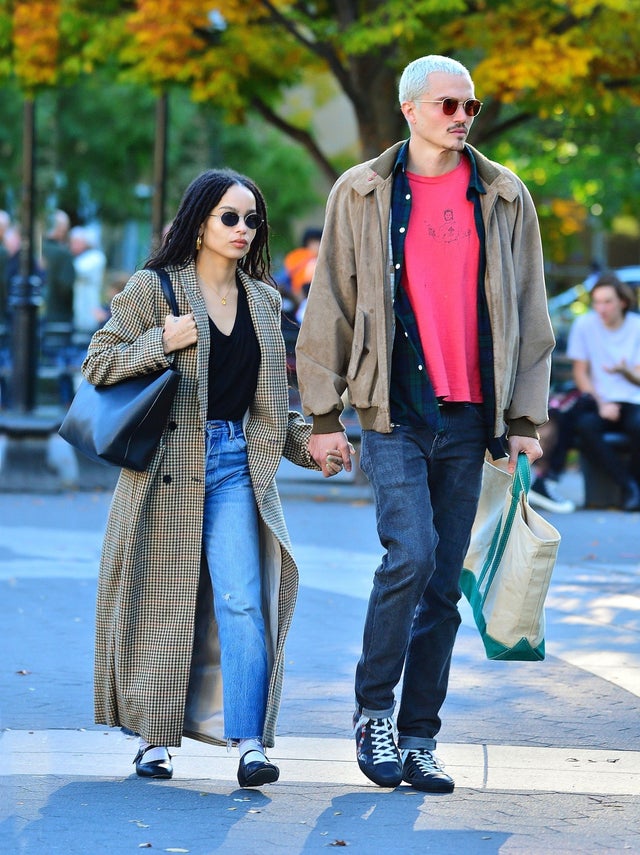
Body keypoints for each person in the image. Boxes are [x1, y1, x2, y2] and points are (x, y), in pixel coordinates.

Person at [296, 54, 555, 794]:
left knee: (443, 581)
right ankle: (373, 709)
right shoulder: (364, 191)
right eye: (447, 105)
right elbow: (331, 307)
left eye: (470, 104)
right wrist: (322, 415)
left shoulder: (504, 195)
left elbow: (532, 313)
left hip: (473, 417)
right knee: (409, 555)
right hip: (393, 411)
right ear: (410, 109)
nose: (462, 116)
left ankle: (418, 735)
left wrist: (526, 417)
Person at [82, 168, 337, 787]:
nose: (244, 229)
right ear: (199, 223)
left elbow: (273, 406)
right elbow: (98, 365)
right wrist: (159, 342)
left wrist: (317, 448)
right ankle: (154, 742)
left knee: (244, 599)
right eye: (230, 217)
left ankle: (248, 741)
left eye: (253, 220)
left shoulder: (265, 301)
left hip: (234, 466)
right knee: (163, 606)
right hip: (165, 470)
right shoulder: (155, 289)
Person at [566, 272, 640, 511]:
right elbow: (580, 372)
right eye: (597, 301)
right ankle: (628, 485)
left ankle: (634, 485)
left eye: (607, 301)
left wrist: (624, 371)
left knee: (638, 425)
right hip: (599, 401)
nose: (601, 308)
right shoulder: (584, 325)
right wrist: (601, 403)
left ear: (623, 302)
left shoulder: (636, 326)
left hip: (632, 400)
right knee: (585, 426)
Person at [69, 225, 106, 341]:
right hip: (80, 300)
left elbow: (78, 269)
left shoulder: (96, 256)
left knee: (87, 332)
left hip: (89, 299)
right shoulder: (81, 257)